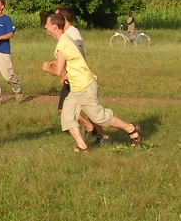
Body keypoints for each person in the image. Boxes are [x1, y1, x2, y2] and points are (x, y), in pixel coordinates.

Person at [42, 12, 140, 152]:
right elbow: (71, 58)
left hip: (84, 86)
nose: (45, 26)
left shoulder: (62, 45)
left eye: (47, 23)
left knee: (99, 117)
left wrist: (47, 69)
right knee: (67, 116)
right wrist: (58, 63)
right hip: (76, 87)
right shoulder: (66, 40)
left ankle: (131, 128)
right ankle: (82, 146)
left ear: (55, 27)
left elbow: (58, 72)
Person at [54, 6, 108, 146]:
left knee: (86, 108)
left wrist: (65, 74)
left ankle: (99, 133)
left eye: (57, 17)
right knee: (81, 108)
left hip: (78, 77)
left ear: (63, 19)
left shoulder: (73, 33)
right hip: (73, 76)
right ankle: (97, 133)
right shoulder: (67, 33)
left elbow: (77, 55)